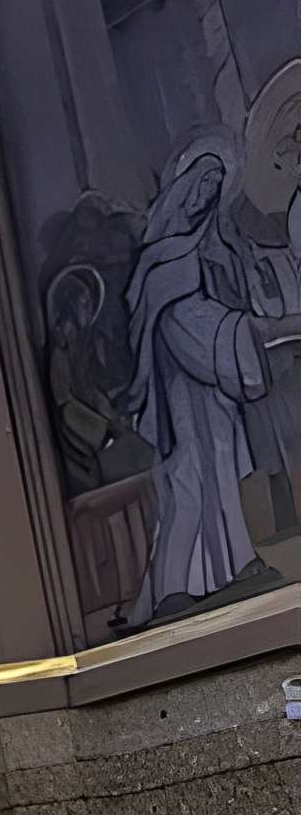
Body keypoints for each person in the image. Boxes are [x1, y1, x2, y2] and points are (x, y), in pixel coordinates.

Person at [123, 141, 277, 622]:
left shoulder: (219, 251)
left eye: (216, 184)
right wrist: (239, 335)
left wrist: (245, 321)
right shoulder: (164, 258)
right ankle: (173, 587)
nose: (207, 193)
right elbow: (174, 319)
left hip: (216, 382)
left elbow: (234, 307)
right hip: (181, 385)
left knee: (225, 467)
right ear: (182, 187)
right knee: (188, 476)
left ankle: (236, 563)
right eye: (201, 182)